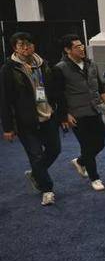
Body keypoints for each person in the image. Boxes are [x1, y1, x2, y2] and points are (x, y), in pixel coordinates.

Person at [0, 32, 61, 205]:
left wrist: (59, 112)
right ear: (15, 48)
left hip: (48, 115)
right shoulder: (9, 69)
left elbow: (53, 89)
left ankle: (36, 173)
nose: (26, 48)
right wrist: (8, 127)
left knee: (55, 150)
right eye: (21, 45)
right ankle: (47, 189)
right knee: (36, 156)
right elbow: (4, 100)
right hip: (25, 121)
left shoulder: (43, 64)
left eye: (29, 44)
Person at [53, 34, 105, 191]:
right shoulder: (60, 68)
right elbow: (58, 95)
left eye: (82, 45)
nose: (81, 48)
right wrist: (65, 114)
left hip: (94, 110)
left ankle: (80, 161)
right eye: (77, 47)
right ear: (67, 50)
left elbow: (100, 87)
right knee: (87, 145)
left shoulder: (91, 64)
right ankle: (95, 178)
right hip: (76, 113)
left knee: (100, 142)